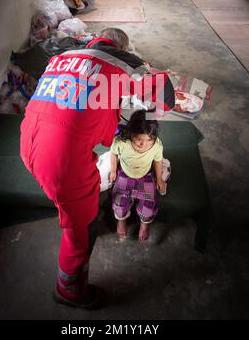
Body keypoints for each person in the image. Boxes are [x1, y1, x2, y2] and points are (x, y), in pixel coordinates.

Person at [20, 27, 175, 309]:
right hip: (60, 162)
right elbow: (166, 95)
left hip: (29, 143)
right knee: (80, 231)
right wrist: (149, 76)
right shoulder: (122, 62)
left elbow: (85, 107)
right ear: (123, 48)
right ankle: (69, 291)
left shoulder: (63, 57)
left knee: (72, 200)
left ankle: (71, 212)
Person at [109, 110, 170, 242]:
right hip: (125, 174)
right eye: (138, 139)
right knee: (119, 203)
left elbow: (158, 160)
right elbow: (113, 154)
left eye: (149, 139)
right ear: (131, 134)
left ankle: (144, 224)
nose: (144, 144)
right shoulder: (120, 142)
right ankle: (121, 220)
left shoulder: (157, 145)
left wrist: (159, 178)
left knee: (148, 206)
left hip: (146, 175)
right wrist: (113, 171)